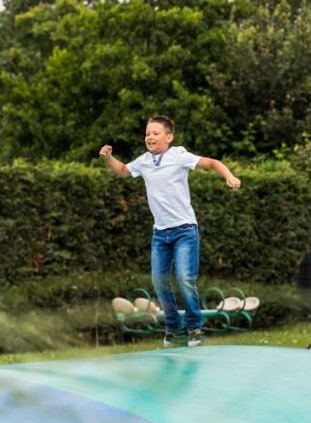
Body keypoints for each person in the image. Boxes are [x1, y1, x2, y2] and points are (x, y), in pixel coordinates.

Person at [99, 116, 240, 347]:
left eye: (155, 133)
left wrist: (229, 176)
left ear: (168, 137)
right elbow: (124, 171)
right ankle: (173, 329)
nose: (150, 137)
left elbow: (213, 162)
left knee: (185, 279)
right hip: (160, 235)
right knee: (159, 282)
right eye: (147, 134)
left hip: (185, 230)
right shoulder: (144, 161)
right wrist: (109, 157)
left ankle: (194, 328)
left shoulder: (179, 155)